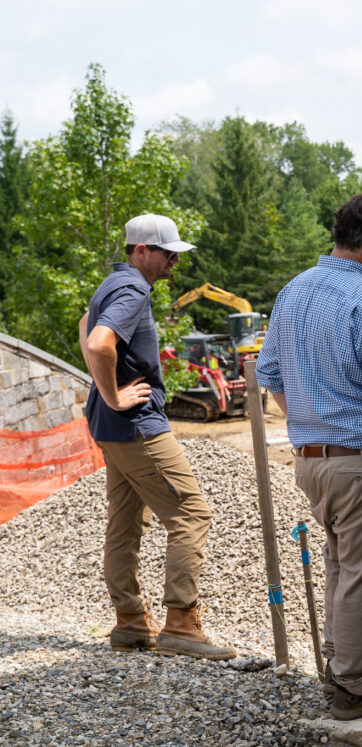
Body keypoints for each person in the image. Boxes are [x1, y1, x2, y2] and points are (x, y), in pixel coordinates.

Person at [255, 193, 362, 721]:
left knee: (341, 569)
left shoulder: (294, 292)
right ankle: (354, 687)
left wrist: (314, 419)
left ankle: (341, 668)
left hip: (314, 461)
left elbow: (269, 375)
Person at [78, 214, 236, 661]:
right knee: (192, 513)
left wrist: (104, 398)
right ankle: (181, 624)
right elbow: (98, 343)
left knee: (126, 522)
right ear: (142, 249)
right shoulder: (132, 288)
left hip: (110, 430)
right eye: (168, 254)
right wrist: (115, 395)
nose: (173, 264)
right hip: (137, 426)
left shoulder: (111, 283)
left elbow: (84, 326)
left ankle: (129, 622)